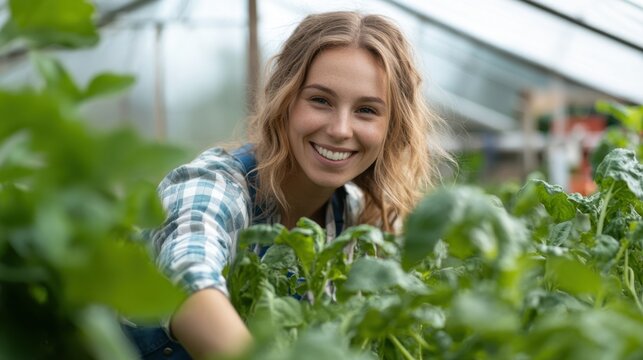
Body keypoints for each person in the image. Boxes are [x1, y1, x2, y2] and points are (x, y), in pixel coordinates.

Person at [123, 10, 450, 360]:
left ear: (392, 128)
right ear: (285, 101)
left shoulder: (355, 217)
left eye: (366, 110)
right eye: (320, 100)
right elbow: (188, 279)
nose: (341, 129)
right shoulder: (214, 184)